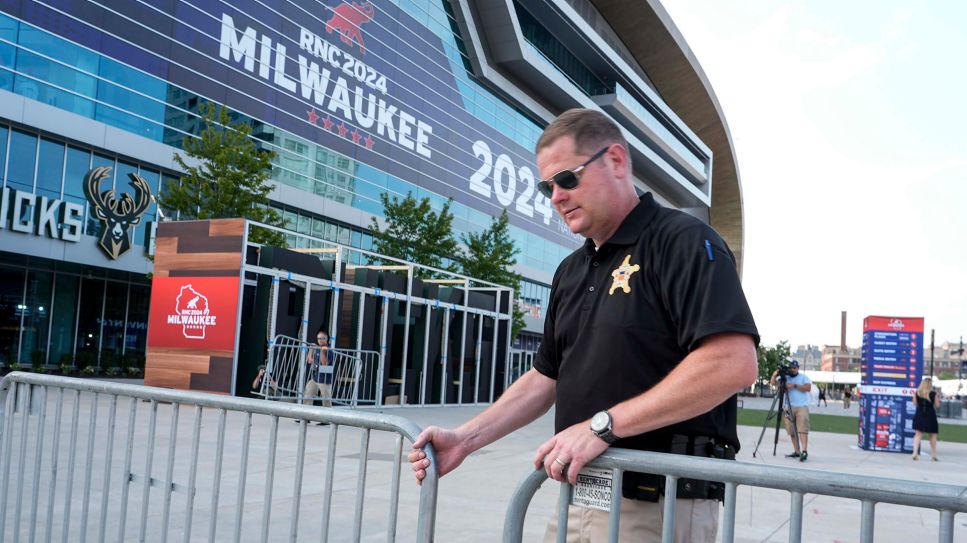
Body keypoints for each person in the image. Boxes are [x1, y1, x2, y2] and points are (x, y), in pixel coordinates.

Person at [407, 108, 759, 543]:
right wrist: (465, 438)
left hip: (657, 501)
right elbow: (545, 377)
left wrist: (603, 425)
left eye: (567, 179)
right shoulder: (571, 270)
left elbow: (732, 362)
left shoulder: (683, 240)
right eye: (546, 186)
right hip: (579, 496)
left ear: (615, 161)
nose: (556, 196)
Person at [770, 360, 812, 462]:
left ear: (798, 368)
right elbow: (773, 383)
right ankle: (797, 451)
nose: (793, 370)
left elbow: (808, 388)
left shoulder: (803, 377)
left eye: (795, 368)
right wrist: (775, 374)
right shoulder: (786, 378)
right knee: (791, 430)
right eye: (791, 368)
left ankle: (804, 451)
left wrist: (794, 386)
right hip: (788, 406)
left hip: (802, 406)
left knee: (802, 429)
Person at [300, 331, 335, 425]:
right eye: (318, 338)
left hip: (324, 379)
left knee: (326, 399)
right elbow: (309, 361)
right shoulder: (317, 349)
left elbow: (325, 363)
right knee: (308, 394)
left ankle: (326, 420)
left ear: (326, 339)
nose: (319, 340)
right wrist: (311, 349)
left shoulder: (328, 350)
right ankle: (305, 417)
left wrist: (323, 351)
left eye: (322, 338)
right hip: (315, 378)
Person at [911, 377, 941, 461]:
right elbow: (937, 405)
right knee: (933, 435)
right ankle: (934, 454)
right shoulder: (933, 394)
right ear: (930, 384)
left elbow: (914, 403)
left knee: (918, 434)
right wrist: (938, 399)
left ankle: (915, 452)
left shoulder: (917, 393)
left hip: (919, 414)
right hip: (930, 415)